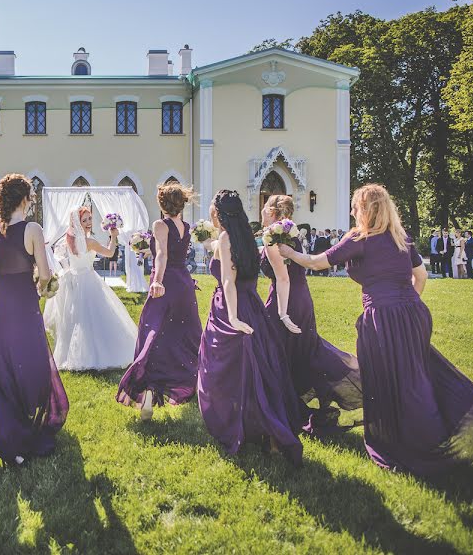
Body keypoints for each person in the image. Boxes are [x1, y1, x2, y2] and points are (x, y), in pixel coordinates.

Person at [280, 184, 473, 475]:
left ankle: (404, 442)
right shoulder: (399, 236)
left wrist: (286, 250)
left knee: (385, 381)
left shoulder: (360, 237)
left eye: (355, 206)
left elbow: (317, 263)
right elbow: (421, 275)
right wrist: (407, 303)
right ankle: (428, 434)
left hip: (382, 316)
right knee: (412, 376)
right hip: (414, 313)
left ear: (366, 209)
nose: (352, 210)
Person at [198, 190, 303, 466]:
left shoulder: (227, 237)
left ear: (219, 214)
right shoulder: (248, 235)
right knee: (257, 367)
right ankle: (268, 431)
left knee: (225, 369)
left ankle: (238, 422)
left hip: (230, 306)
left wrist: (232, 317)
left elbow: (229, 282)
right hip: (254, 304)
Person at [260, 195, 363, 435]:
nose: (262, 211)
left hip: (285, 300)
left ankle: (280, 403)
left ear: (274, 213)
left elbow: (283, 278)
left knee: (277, 350)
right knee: (300, 349)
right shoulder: (291, 234)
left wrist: (282, 313)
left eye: (266, 207)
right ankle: (286, 399)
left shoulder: (273, 238)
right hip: (302, 298)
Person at [0, 174, 68, 466]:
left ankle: (10, 427)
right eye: (31, 196)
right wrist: (43, 289)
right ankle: (29, 420)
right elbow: (45, 273)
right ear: (24, 199)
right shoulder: (32, 228)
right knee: (31, 360)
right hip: (23, 303)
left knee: (3, 365)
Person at [117, 182, 202, 420]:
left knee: (152, 333)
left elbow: (164, 254)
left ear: (162, 204)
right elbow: (169, 253)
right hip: (184, 283)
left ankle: (147, 389)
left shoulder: (160, 224)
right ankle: (191, 380)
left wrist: (157, 281)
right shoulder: (184, 225)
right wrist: (149, 252)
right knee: (182, 336)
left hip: (166, 284)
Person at [44, 207, 137, 370]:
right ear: (78, 223)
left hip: (74, 281)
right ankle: (98, 353)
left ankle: (75, 355)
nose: (88, 223)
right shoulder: (89, 242)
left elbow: (63, 259)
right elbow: (109, 253)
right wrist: (113, 237)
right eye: (84, 220)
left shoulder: (68, 240)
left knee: (78, 319)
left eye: (89, 219)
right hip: (87, 280)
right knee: (95, 318)